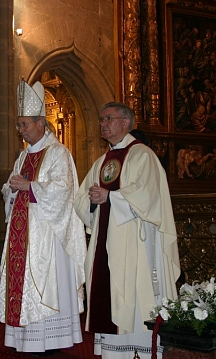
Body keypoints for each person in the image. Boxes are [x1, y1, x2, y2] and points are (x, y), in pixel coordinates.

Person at [73, 102, 181, 359]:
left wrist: (111, 198)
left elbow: (149, 197)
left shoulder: (143, 155)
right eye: (101, 120)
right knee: (107, 287)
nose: (103, 124)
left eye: (108, 118)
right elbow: (80, 200)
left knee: (134, 289)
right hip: (105, 241)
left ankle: (139, 351)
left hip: (135, 243)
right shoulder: (101, 161)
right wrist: (92, 199)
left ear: (126, 122)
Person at [0, 80, 87, 355]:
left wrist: (30, 187)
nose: (20, 130)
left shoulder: (59, 152)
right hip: (22, 235)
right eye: (19, 125)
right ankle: (24, 340)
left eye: (24, 124)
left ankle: (51, 340)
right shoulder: (23, 155)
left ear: (40, 123)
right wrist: (10, 189)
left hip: (47, 236)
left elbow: (64, 190)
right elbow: (11, 189)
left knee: (46, 283)